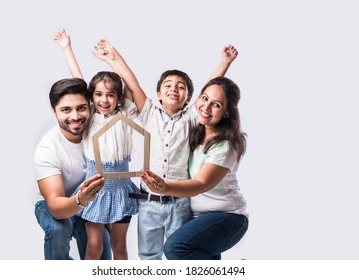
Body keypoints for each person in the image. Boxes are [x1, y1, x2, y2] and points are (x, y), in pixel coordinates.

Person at [93, 39, 238, 259]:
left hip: (179, 203)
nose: (174, 89)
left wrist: (224, 63)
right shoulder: (149, 113)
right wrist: (113, 56)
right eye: (168, 86)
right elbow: (132, 83)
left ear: (190, 98)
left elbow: (210, 91)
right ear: (159, 94)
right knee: (148, 255)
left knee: (178, 254)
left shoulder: (191, 118)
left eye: (181, 87)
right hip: (148, 202)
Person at [54, 28, 139, 260]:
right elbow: (78, 80)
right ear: (91, 97)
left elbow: (132, 85)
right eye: (99, 94)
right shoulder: (89, 115)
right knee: (94, 246)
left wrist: (113, 57)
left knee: (119, 245)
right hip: (96, 186)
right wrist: (67, 48)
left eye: (110, 95)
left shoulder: (126, 114)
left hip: (121, 187)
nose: (104, 100)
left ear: (118, 99)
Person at [141, 76, 249, 260]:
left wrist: (165, 188)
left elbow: (201, 183)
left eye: (216, 105)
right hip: (198, 218)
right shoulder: (196, 132)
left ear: (227, 112)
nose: (206, 107)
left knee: (176, 248)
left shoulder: (225, 145)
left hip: (227, 217)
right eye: (204, 98)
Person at [34, 77, 112, 260]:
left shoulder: (96, 126)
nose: (75, 116)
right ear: (54, 112)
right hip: (56, 203)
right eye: (66, 110)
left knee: (102, 258)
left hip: (90, 205)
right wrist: (80, 199)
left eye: (81, 108)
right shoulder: (47, 148)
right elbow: (55, 206)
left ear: (90, 107)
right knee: (58, 228)